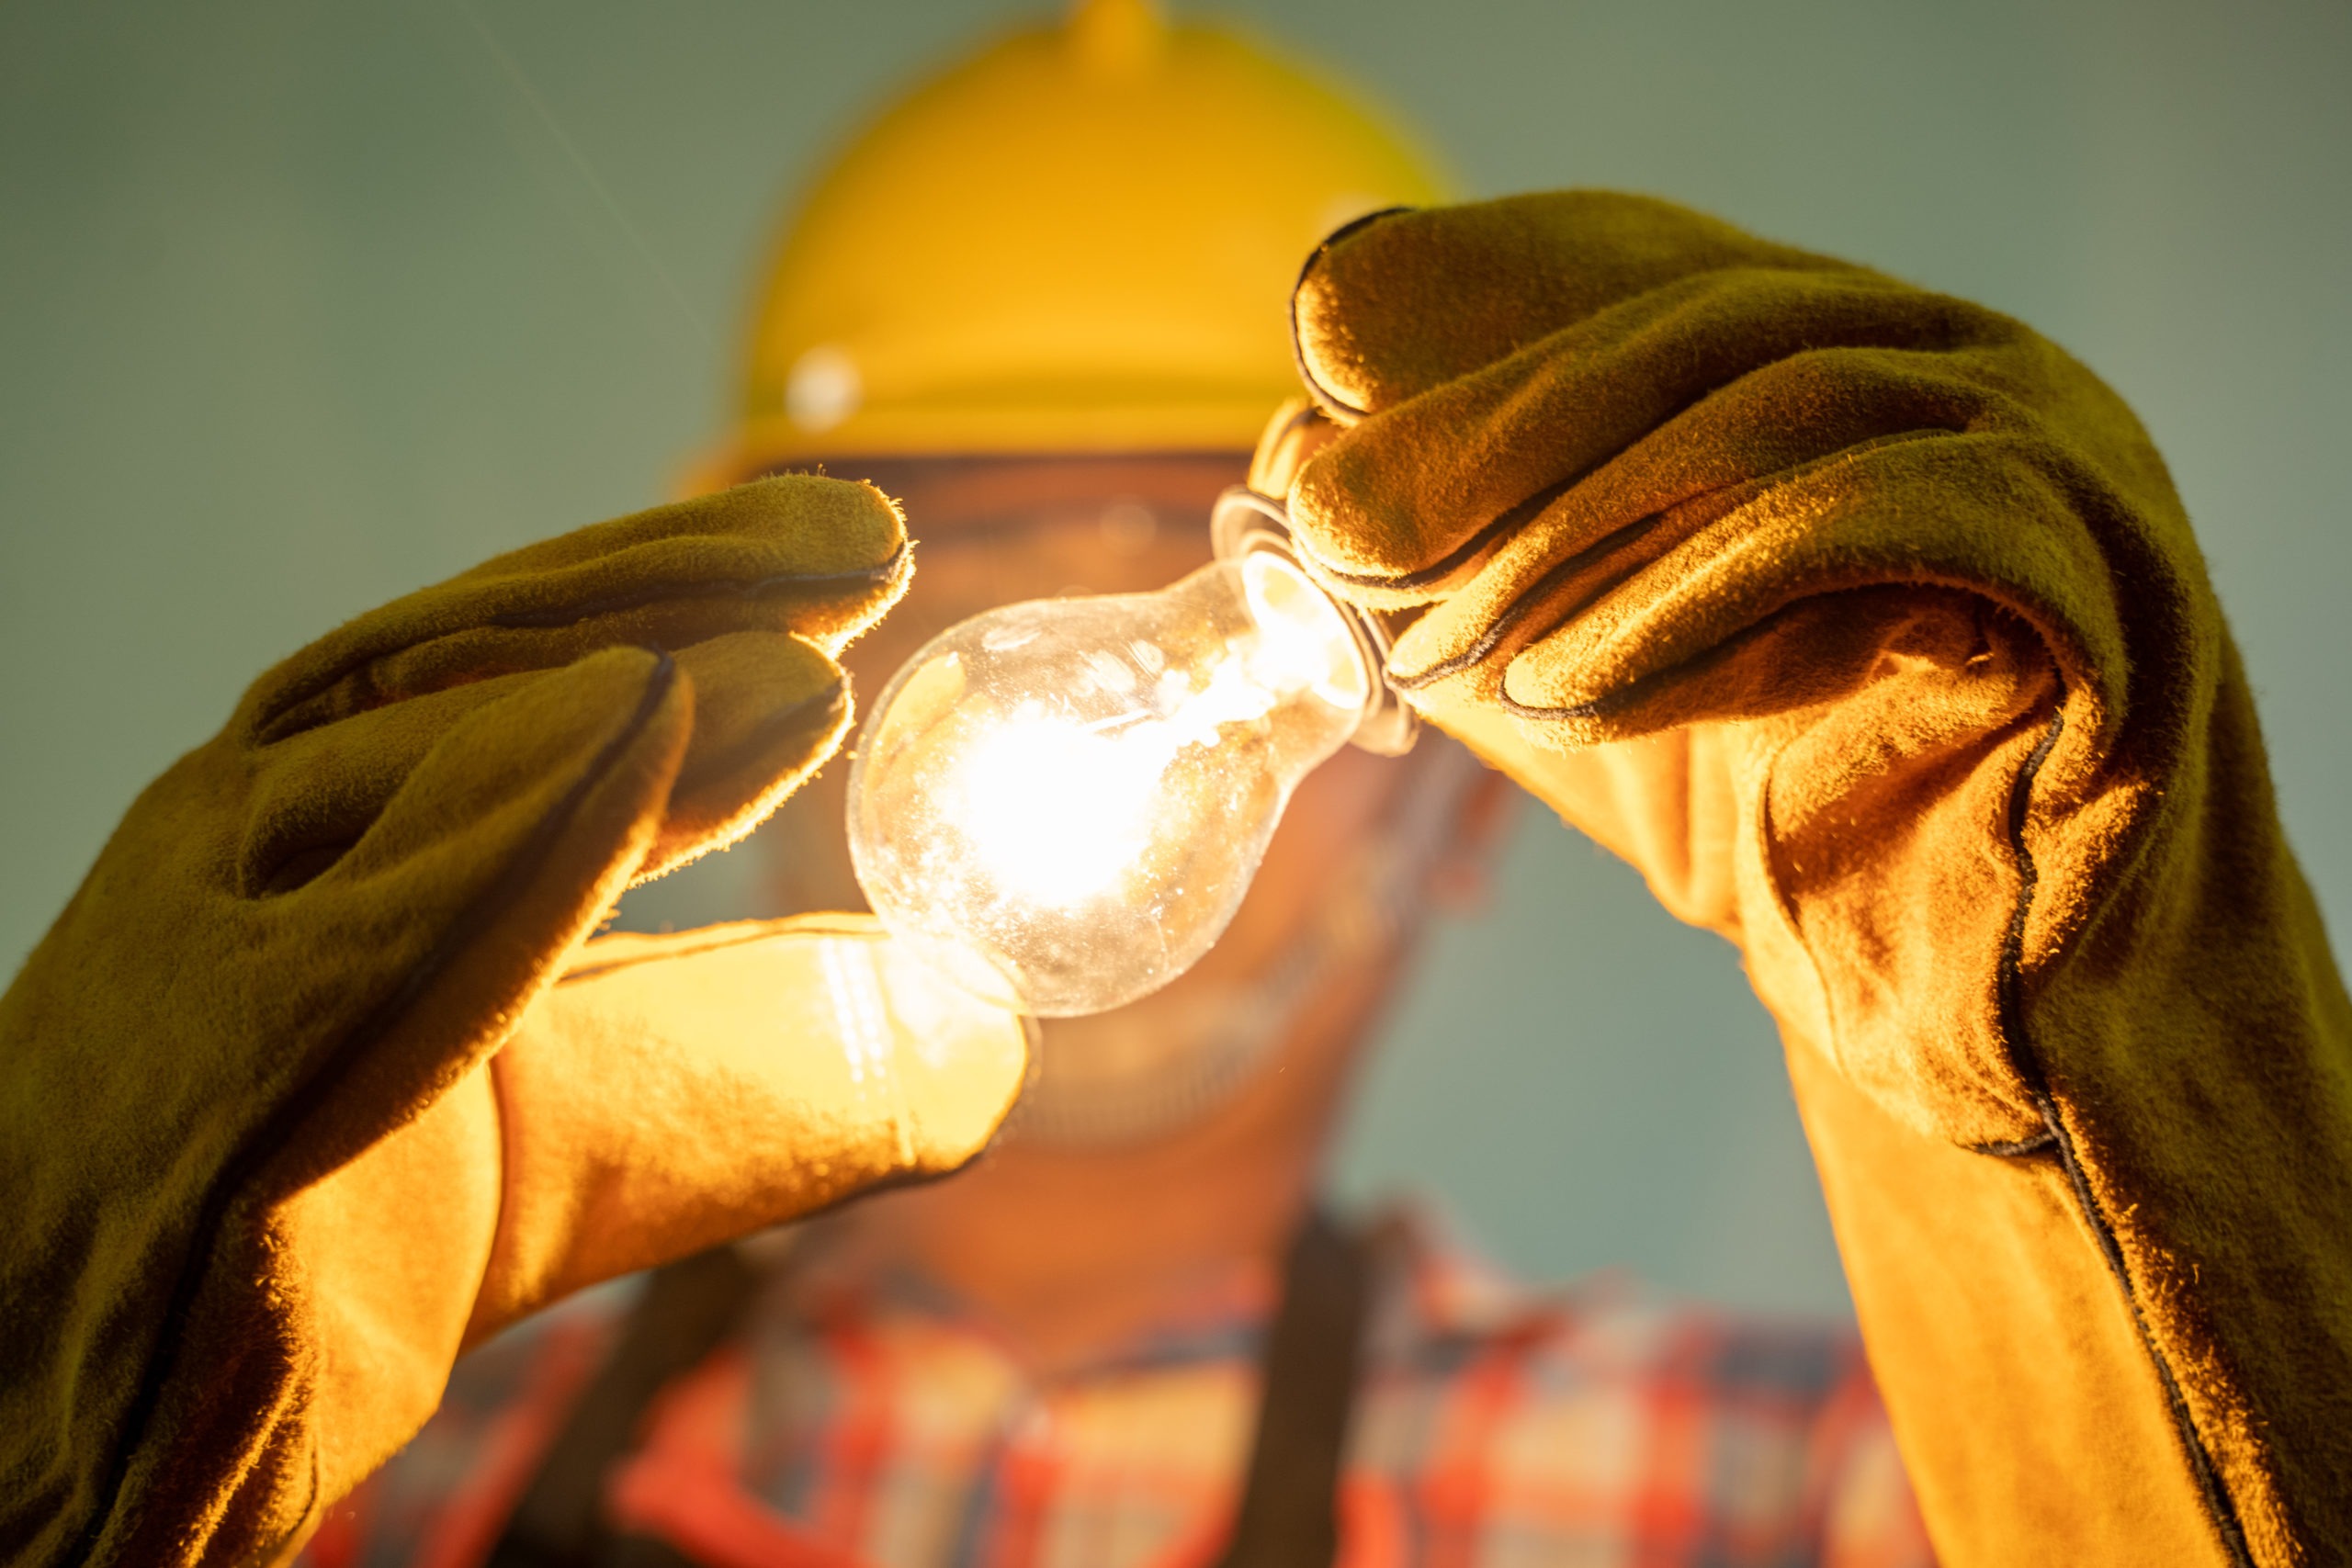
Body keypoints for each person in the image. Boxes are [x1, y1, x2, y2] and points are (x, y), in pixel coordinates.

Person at [5, 6, 2346, 1568]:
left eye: (1201, 595)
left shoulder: (1798, 1488)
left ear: (1462, 788)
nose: (1136, 716)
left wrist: (2112, 1237)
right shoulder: (351, 1452)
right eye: (989, 589)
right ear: (796, 724)